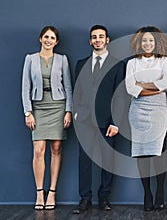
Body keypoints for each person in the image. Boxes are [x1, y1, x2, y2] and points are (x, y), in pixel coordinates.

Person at [73, 25, 125, 214]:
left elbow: (121, 96)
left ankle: (104, 197)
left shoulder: (118, 64)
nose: (97, 40)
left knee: (107, 161)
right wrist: (77, 113)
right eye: (94, 37)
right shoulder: (81, 64)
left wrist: (116, 122)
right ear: (90, 41)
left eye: (101, 36)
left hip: (108, 121)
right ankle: (84, 199)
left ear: (107, 39)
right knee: (84, 162)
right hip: (85, 120)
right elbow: (77, 91)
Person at [21, 26, 73, 210]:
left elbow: (68, 86)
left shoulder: (62, 60)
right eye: (46, 37)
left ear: (56, 42)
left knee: (56, 148)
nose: (48, 40)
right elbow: (25, 87)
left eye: (52, 38)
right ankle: (39, 193)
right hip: (38, 107)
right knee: (38, 150)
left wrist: (68, 110)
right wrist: (28, 112)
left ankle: (52, 192)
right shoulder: (30, 59)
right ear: (40, 38)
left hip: (58, 106)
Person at [125, 26, 167, 211]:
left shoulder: (165, 61)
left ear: (157, 42)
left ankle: (160, 191)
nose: (147, 43)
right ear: (139, 42)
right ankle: (147, 193)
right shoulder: (132, 63)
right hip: (137, 111)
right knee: (142, 153)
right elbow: (130, 88)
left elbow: (165, 84)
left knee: (159, 152)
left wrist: (141, 85)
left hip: (160, 109)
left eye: (151, 40)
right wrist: (153, 87)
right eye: (144, 40)